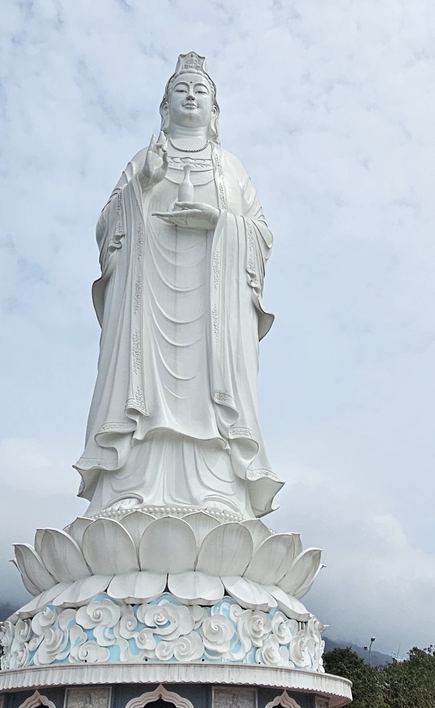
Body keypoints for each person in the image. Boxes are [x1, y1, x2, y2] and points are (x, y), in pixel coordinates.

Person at [74, 51, 283, 520]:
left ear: (215, 112)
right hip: (146, 301)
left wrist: (219, 223)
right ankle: (130, 486)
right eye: (181, 91)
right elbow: (107, 227)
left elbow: (261, 234)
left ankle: (219, 491)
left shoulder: (231, 167)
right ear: (165, 108)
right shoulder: (143, 160)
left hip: (213, 306)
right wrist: (140, 188)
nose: (191, 96)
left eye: (200, 91)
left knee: (211, 397)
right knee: (140, 390)